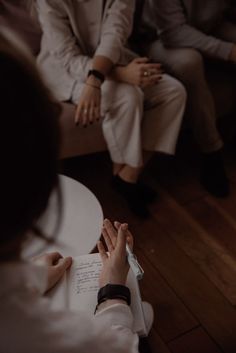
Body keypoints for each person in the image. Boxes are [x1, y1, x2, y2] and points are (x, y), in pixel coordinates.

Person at [0, 28, 153, 353]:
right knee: (146, 315)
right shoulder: (63, 341)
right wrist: (113, 291)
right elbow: (121, 346)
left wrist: (31, 279)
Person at [35, 0, 186, 217]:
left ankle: (127, 178)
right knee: (127, 96)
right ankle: (125, 183)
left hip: (112, 59)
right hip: (66, 70)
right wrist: (117, 76)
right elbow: (67, 57)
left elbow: (116, 31)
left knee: (174, 92)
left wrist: (105, 75)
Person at [133, 0, 236, 198]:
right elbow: (173, 32)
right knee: (189, 62)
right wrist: (229, 51)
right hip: (160, 37)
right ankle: (211, 152)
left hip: (212, 25)